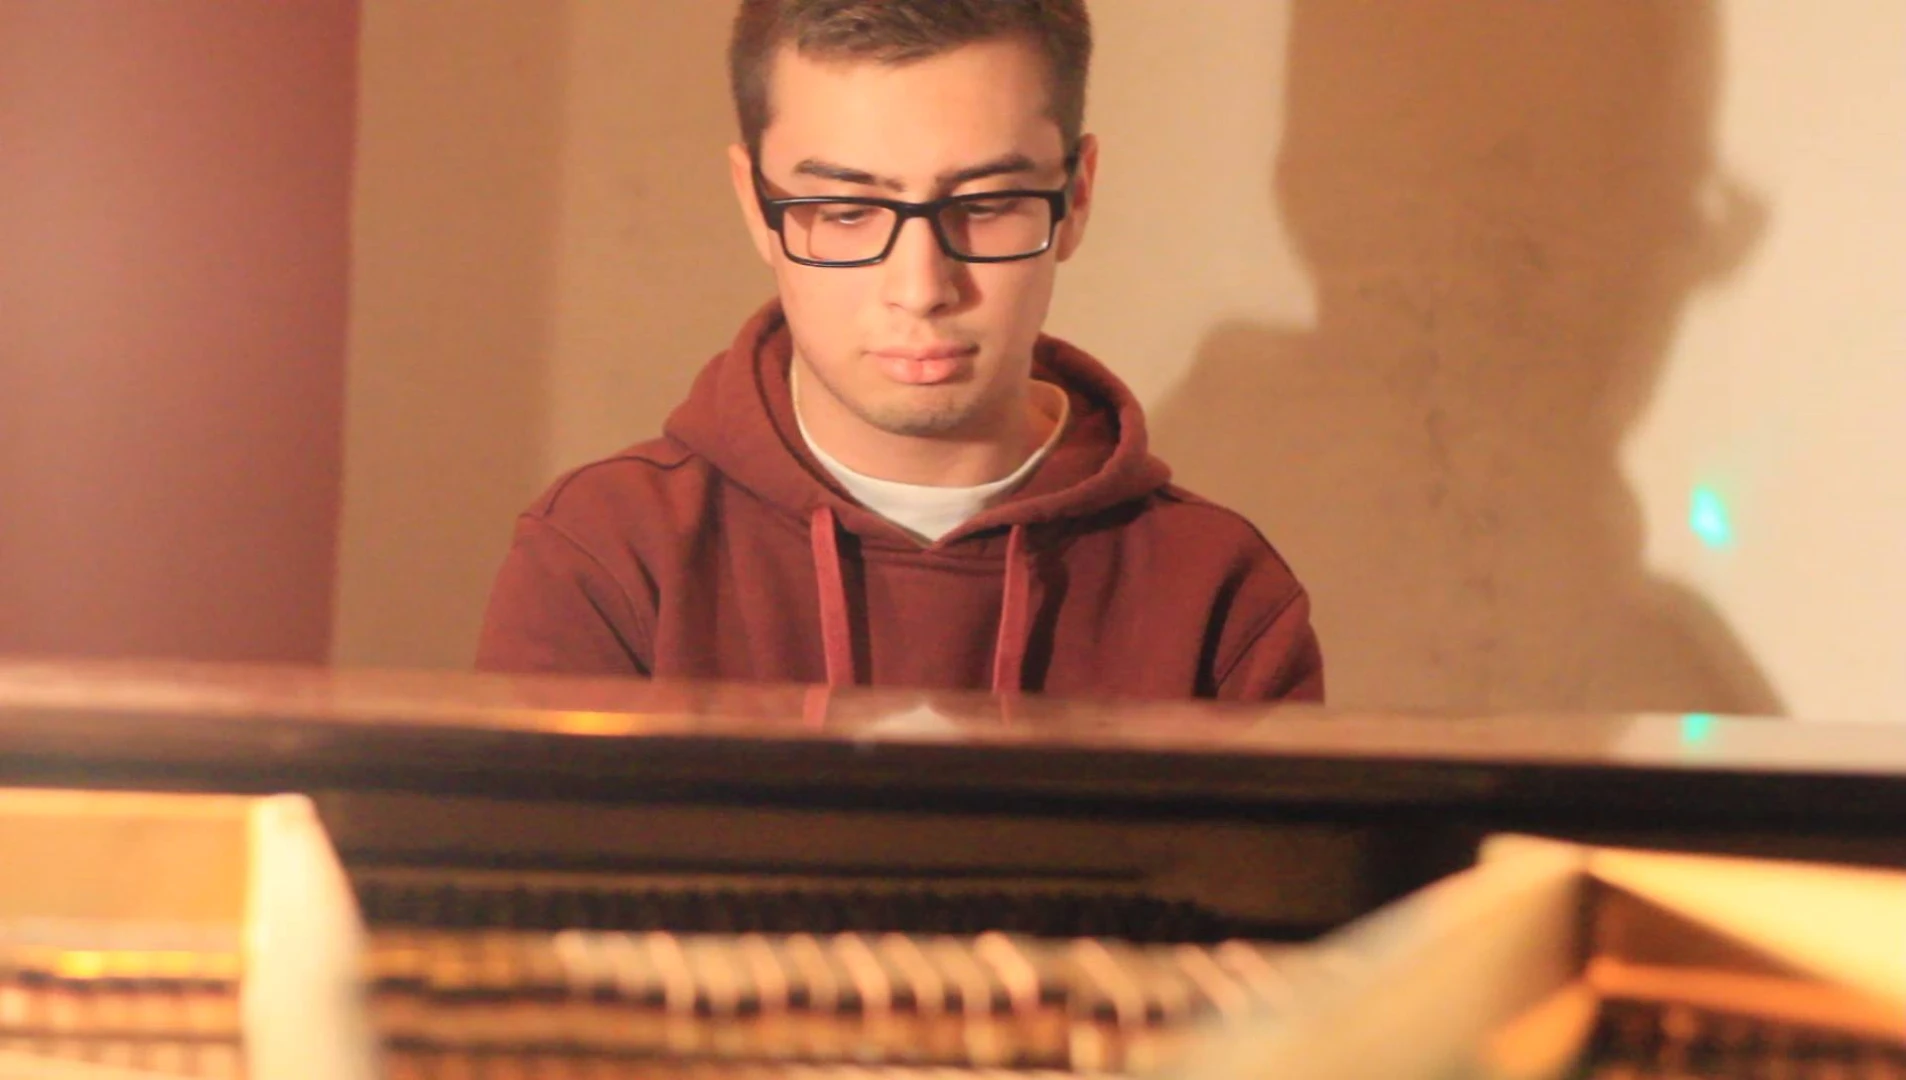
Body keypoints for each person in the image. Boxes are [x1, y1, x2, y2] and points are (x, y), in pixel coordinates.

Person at [476, 0, 1323, 701]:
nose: (921, 288)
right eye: (847, 213)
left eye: (985, 205)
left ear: (1078, 196)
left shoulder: (1220, 595)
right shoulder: (605, 558)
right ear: (754, 204)